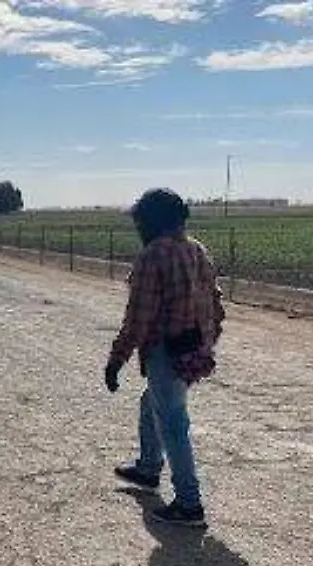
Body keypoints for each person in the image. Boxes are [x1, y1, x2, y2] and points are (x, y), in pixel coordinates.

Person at [105, 188, 225, 528]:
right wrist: (206, 343)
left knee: (172, 423)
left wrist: (116, 360)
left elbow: (138, 320)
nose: (138, 227)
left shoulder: (152, 257)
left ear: (151, 222)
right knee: (153, 403)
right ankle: (147, 467)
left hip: (166, 350)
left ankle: (189, 505)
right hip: (191, 347)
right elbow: (216, 303)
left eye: (140, 220)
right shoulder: (196, 249)